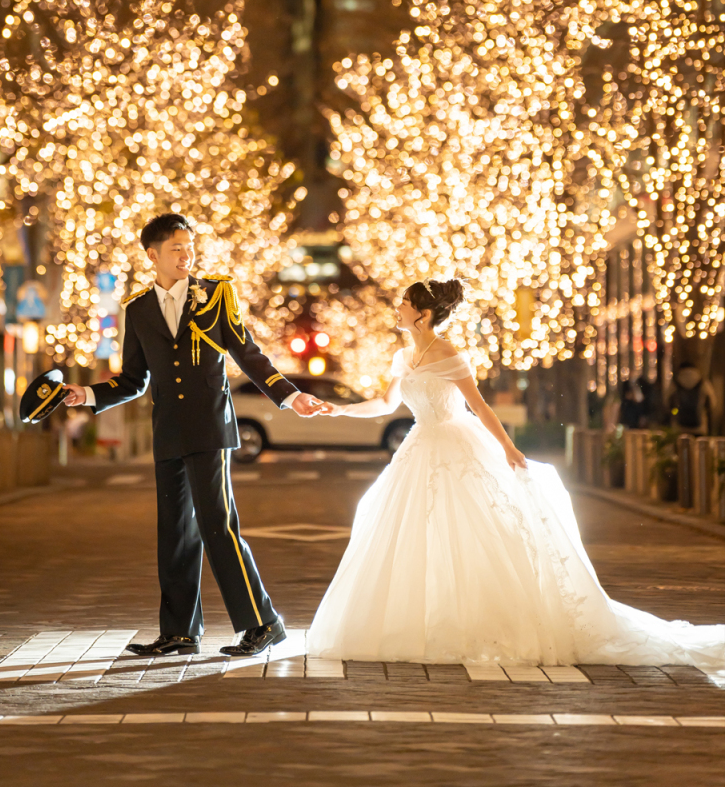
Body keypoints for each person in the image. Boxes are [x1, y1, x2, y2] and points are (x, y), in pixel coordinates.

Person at [308, 276, 725, 673]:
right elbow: (384, 404)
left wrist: (507, 447)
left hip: (456, 445)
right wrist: (340, 409)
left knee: (472, 532)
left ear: (421, 312)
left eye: (403, 302)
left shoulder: (448, 353)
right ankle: (416, 621)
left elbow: (480, 406)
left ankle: (481, 623)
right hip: (418, 448)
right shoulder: (403, 356)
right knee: (411, 532)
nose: (396, 307)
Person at [62, 213, 326, 659]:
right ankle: (180, 632)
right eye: (176, 249)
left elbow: (247, 353)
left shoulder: (217, 294)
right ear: (153, 255)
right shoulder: (138, 308)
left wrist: (289, 396)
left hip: (210, 427)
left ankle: (264, 624)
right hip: (168, 431)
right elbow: (132, 380)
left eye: (189, 247)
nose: (187, 255)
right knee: (175, 533)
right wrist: (85, 393)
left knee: (218, 526)